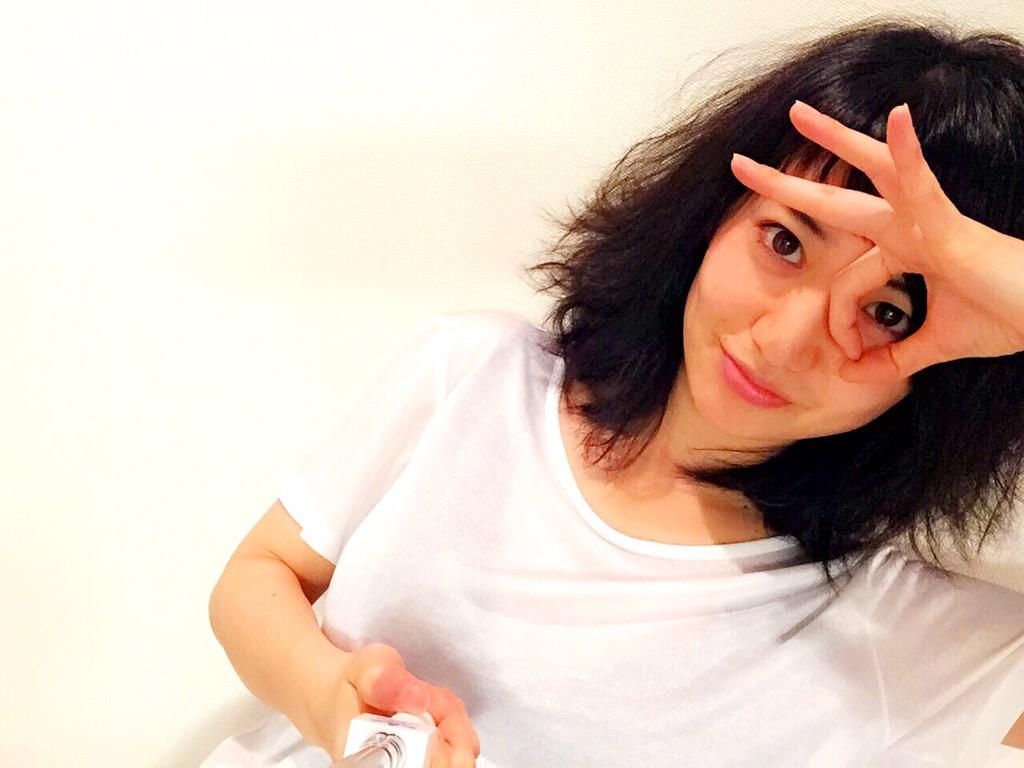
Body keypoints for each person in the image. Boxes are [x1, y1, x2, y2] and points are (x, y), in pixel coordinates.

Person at [203, 18, 1024, 768]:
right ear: (713, 215)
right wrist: (330, 704)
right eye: (783, 241)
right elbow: (262, 574)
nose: (784, 341)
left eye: (887, 311)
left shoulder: (900, 632)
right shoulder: (476, 375)